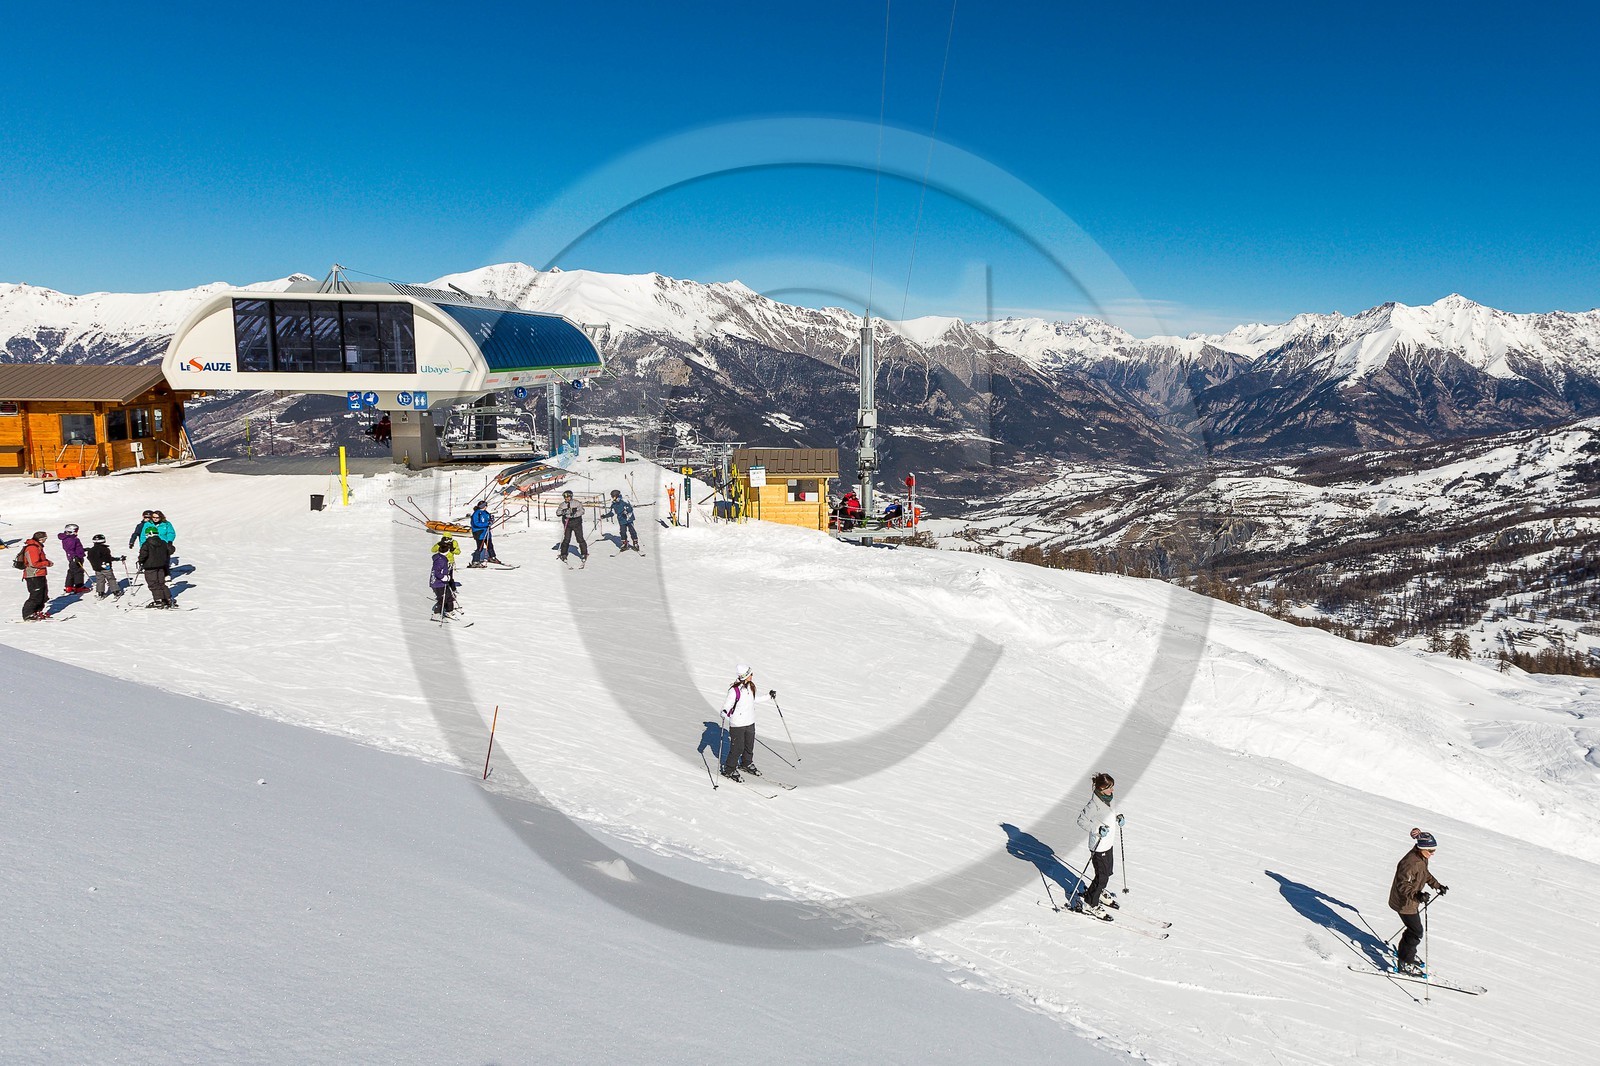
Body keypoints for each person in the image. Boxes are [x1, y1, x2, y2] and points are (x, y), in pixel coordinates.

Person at [1389, 828, 1448, 976]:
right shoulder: (1410, 863)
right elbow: (1402, 885)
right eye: (1431, 850)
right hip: (1404, 903)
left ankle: (1405, 954)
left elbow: (1424, 874)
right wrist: (1417, 895)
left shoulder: (1421, 858)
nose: (1433, 853)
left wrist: (1437, 885)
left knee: (1413, 930)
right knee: (1416, 932)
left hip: (1412, 901)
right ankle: (1405, 962)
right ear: (1422, 847)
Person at [1073, 772, 1123, 918]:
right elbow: (1081, 821)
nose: (1112, 790)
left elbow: (1111, 811)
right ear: (1101, 788)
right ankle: (1091, 904)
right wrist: (1097, 829)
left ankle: (1097, 892)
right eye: (1109, 788)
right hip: (1098, 845)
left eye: (1112, 787)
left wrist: (1118, 816)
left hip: (1108, 843)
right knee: (1102, 877)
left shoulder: (1109, 798)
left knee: (1107, 873)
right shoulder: (1093, 805)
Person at [719, 664, 778, 781]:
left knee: (749, 746)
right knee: (737, 748)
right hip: (737, 724)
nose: (752, 675)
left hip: (749, 721)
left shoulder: (751, 687)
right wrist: (724, 712)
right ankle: (729, 769)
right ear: (745, 675)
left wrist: (769, 696)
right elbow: (726, 706)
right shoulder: (734, 690)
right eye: (750, 673)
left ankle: (746, 764)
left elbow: (754, 700)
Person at [18, 531, 52, 620]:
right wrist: (47, 563)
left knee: (43, 595)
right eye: (45, 539)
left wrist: (46, 562)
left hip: (39, 574)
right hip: (33, 575)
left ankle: (37, 611)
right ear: (41, 539)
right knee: (35, 595)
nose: (45, 540)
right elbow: (34, 563)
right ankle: (28, 614)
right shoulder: (32, 548)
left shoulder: (37, 546)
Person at [137, 529, 175, 608]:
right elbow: (170, 550)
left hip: (150, 567)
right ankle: (168, 599)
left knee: (153, 584)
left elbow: (143, 555)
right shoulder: (163, 543)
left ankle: (158, 600)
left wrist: (140, 561)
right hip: (161, 567)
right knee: (161, 583)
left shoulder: (146, 544)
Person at [86, 534, 125, 599]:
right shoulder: (105, 549)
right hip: (106, 567)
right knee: (111, 579)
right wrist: (118, 559)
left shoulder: (91, 550)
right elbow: (108, 558)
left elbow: (89, 558)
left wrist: (95, 564)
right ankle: (116, 592)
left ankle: (100, 593)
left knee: (100, 580)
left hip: (97, 568)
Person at [556, 490, 588, 563]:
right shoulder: (562, 505)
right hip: (567, 523)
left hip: (576, 523)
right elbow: (558, 512)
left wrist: (575, 514)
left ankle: (584, 553)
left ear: (571, 497)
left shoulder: (576, 503)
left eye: (568, 497)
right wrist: (563, 512)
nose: (566, 499)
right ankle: (564, 554)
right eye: (565, 497)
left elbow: (582, 511)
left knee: (580, 539)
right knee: (566, 539)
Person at [430, 536, 458, 617]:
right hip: (438, 584)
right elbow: (436, 572)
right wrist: (444, 577)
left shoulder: (443, 559)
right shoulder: (440, 560)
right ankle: (436, 613)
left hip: (442, 583)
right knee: (442, 599)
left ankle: (449, 611)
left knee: (449, 596)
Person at [58, 524, 88, 592]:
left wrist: (83, 550)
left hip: (75, 556)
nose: (76, 532)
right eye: (75, 531)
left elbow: (75, 548)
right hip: (75, 558)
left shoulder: (71, 538)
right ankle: (79, 586)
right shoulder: (70, 539)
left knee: (71, 571)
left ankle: (69, 586)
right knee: (78, 571)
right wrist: (74, 557)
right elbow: (69, 550)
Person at [468, 501, 498, 567]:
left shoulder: (486, 512)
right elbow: (476, 523)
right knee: (480, 547)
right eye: (485, 505)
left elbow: (488, 519)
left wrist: (491, 520)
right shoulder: (476, 513)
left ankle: (492, 557)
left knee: (490, 545)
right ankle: (475, 561)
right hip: (479, 532)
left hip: (486, 532)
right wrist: (486, 524)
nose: (486, 507)